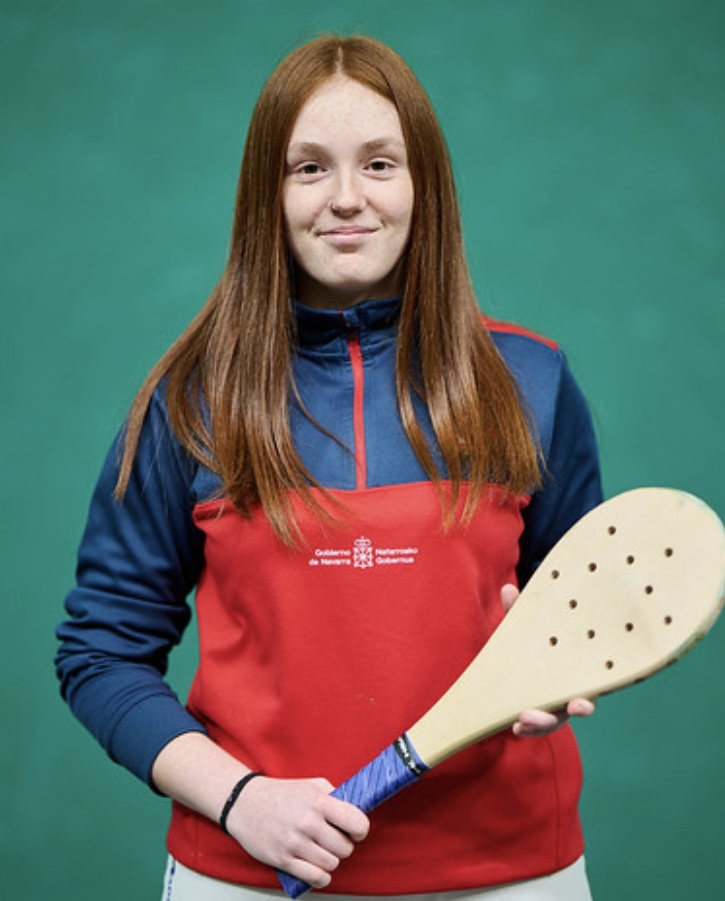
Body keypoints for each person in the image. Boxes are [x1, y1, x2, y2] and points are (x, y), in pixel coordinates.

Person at [55, 34, 602, 901]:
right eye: (308, 168)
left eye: (379, 163)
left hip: (511, 871)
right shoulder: (188, 400)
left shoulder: (530, 379)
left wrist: (558, 672)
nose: (346, 197)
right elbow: (101, 653)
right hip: (247, 873)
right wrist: (241, 799)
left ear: (423, 185)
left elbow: (581, 614)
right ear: (266, 195)